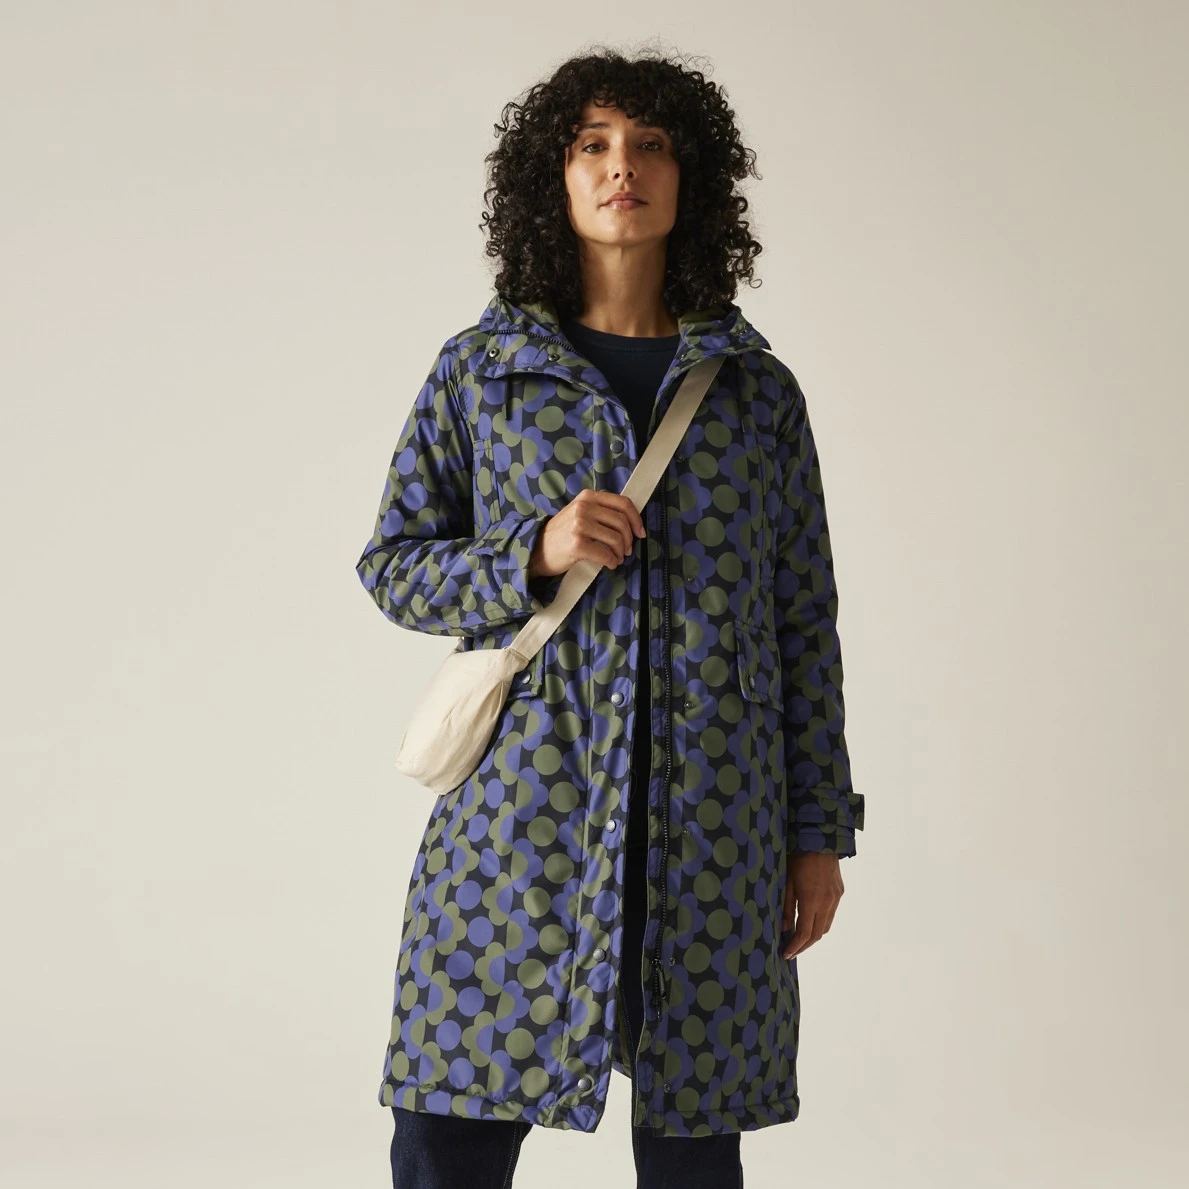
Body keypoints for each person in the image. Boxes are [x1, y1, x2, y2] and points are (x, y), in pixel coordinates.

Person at [354, 48, 865, 1189]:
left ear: (692, 180)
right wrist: (529, 551)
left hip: (716, 817)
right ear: (555, 179)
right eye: (591, 145)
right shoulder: (482, 372)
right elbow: (392, 567)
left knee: (694, 1140)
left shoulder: (756, 392)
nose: (621, 166)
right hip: (521, 821)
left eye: (650, 144)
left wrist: (818, 832)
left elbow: (803, 620)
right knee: (449, 1120)